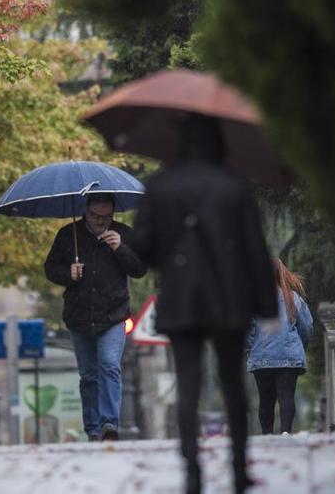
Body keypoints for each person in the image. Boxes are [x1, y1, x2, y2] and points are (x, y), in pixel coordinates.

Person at [132, 114, 278, 494]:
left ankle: (192, 470)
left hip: (181, 298)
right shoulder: (234, 185)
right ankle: (237, 469)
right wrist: (267, 306)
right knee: (233, 385)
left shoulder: (161, 186)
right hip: (228, 298)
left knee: (189, 383)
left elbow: (144, 249)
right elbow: (254, 250)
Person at [44, 193, 147, 441]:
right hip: (80, 316)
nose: (101, 221)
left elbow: (139, 269)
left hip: (113, 316)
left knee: (110, 366)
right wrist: (68, 273)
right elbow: (50, 269)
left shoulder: (123, 234)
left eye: (106, 217)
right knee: (89, 375)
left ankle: (109, 424)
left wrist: (119, 248)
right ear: (86, 211)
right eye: (95, 216)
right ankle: (92, 428)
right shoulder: (69, 235)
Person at [246, 258, 313, 435]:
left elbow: (248, 332)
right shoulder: (293, 298)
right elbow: (306, 327)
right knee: (287, 396)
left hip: (262, 357)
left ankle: (267, 435)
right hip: (289, 356)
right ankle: (285, 433)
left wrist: (254, 348)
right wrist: (300, 346)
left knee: (265, 400)